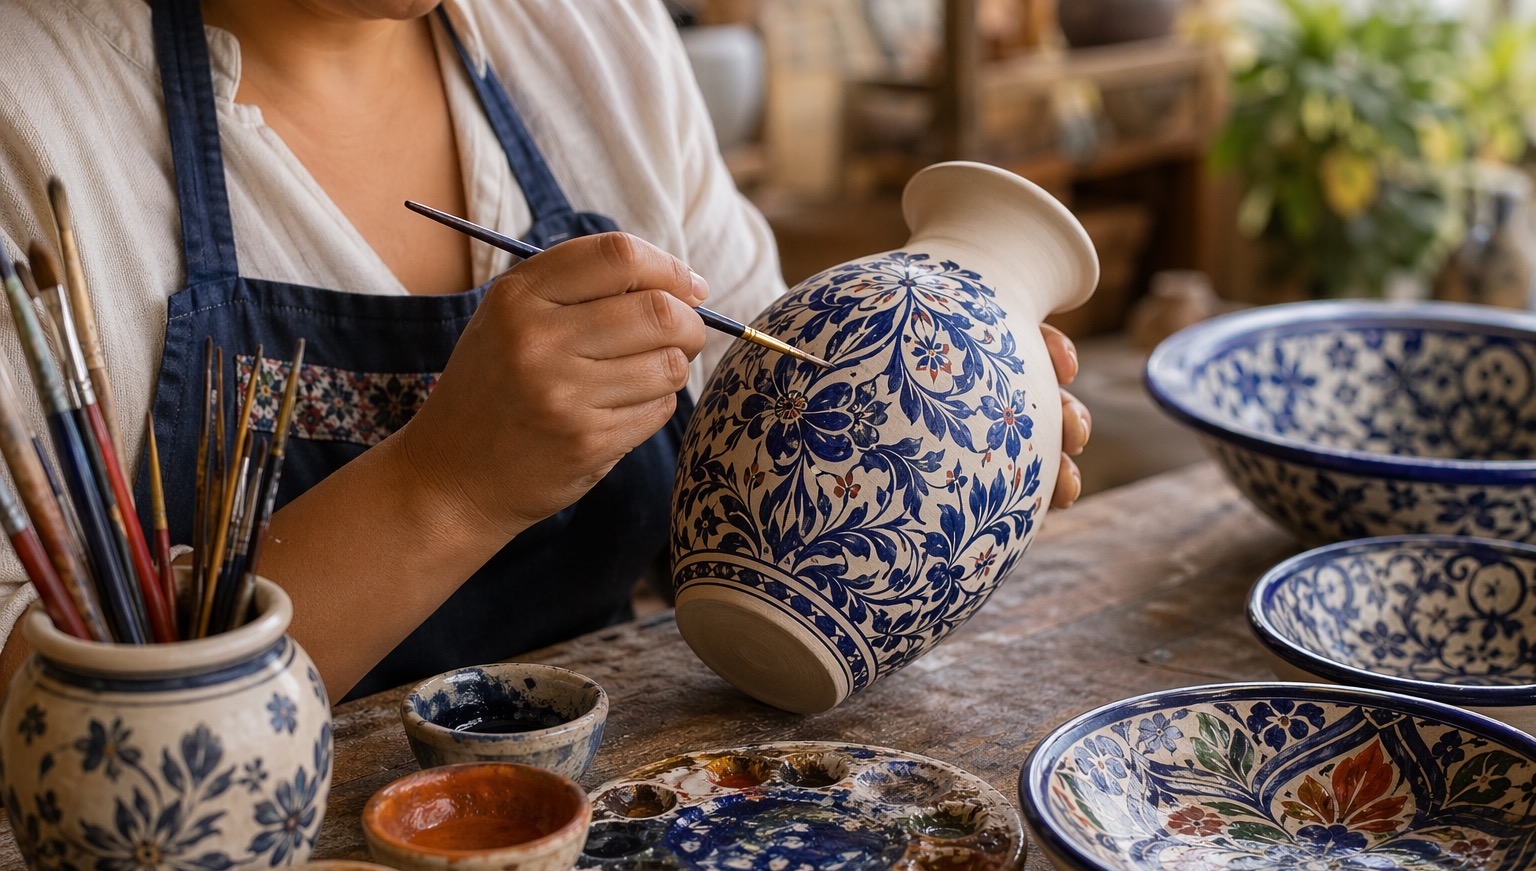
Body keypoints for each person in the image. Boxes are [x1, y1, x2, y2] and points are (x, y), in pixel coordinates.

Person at [0, 0, 1092, 703]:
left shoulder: (590, 36)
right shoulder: (37, 112)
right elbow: (17, 703)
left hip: (621, 830)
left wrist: (937, 455)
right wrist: (449, 486)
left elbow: (760, 438)